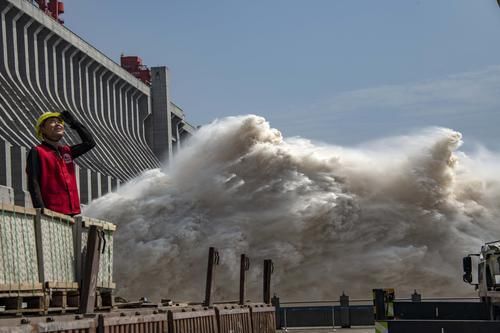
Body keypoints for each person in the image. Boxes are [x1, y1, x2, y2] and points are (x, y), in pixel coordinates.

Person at [26, 111, 96, 216]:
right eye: (52, 122)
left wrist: (75, 124)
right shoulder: (37, 151)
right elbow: (33, 181)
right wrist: (40, 211)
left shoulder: (67, 152)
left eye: (60, 122)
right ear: (42, 129)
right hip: (52, 214)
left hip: (73, 213)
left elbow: (90, 143)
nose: (58, 124)